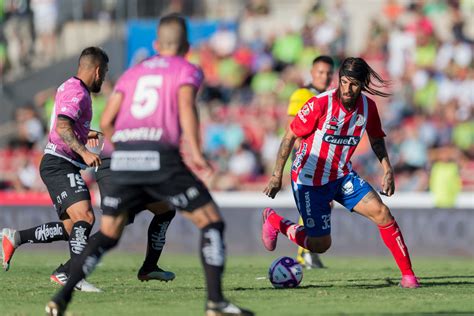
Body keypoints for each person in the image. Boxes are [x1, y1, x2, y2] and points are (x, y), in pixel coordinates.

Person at [46, 14, 253, 316]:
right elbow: (186, 108)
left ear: (157, 44)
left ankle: (61, 298)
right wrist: (195, 152)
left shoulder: (134, 73)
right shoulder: (186, 69)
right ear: (186, 46)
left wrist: (127, 144)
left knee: (107, 234)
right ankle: (216, 303)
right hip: (160, 156)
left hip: (124, 158)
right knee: (211, 222)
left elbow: (107, 120)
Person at [262, 57, 420, 289]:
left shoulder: (368, 107)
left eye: (354, 84)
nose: (347, 89)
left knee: (382, 213)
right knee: (320, 244)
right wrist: (277, 175)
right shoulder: (319, 103)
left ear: (362, 84)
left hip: (341, 176)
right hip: (309, 180)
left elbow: (376, 138)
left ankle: (408, 276)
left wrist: (386, 168)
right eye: (344, 82)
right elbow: (290, 136)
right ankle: (274, 221)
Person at [1, 47, 109, 292]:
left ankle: (15, 239)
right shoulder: (78, 92)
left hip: (58, 162)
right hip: (60, 162)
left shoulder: (69, 87)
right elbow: (61, 127)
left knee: (72, 228)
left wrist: (85, 134)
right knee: (86, 217)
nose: (103, 78)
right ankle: (75, 277)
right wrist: (84, 152)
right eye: (104, 73)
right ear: (97, 70)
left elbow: (63, 124)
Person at [287, 55, 334, 269]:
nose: (324, 77)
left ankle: (309, 251)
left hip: (324, 159)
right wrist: (303, 156)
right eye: (320, 72)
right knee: (311, 204)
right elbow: (293, 128)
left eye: (328, 73)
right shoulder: (302, 94)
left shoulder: (330, 97)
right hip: (308, 158)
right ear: (312, 73)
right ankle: (305, 252)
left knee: (321, 205)